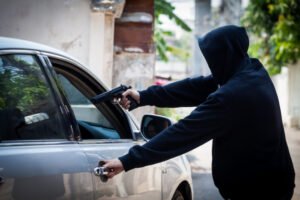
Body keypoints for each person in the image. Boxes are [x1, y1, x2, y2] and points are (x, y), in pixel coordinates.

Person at [103, 25, 295, 199]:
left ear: (225, 56)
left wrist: (127, 161)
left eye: (213, 57)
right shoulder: (252, 71)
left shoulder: (233, 96)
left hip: (260, 192)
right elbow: (195, 88)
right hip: (272, 184)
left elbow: (184, 133)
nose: (211, 63)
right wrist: (143, 96)